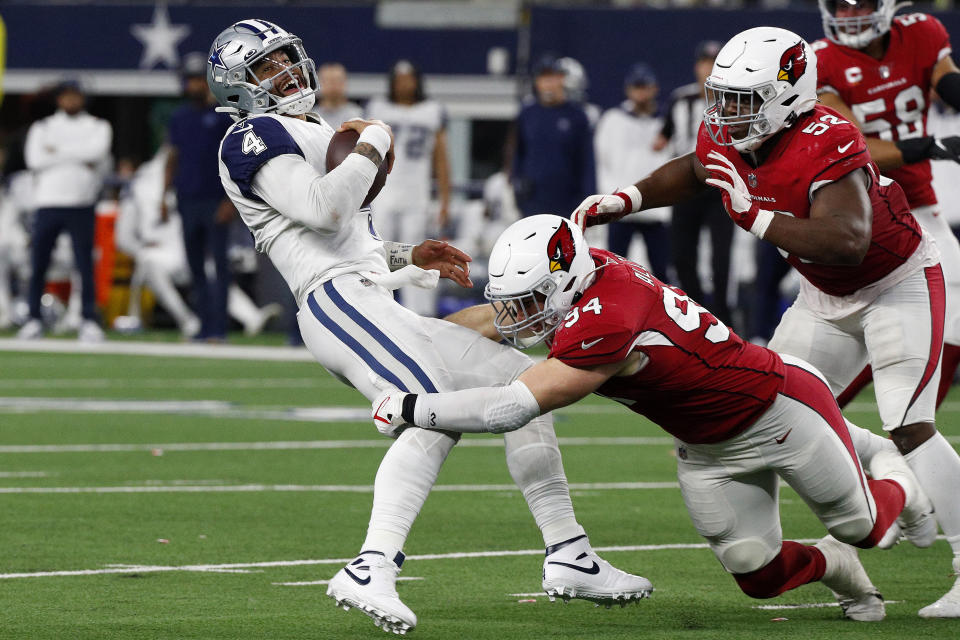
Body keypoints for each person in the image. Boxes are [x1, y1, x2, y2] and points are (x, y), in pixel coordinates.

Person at [207, 19, 652, 635]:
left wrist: (406, 256)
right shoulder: (249, 136)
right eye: (266, 67)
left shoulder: (305, 128)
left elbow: (345, 238)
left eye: (286, 59)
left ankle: (569, 553)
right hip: (335, 304)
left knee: (528, 380)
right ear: (237, 88)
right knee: (431, 411)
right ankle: (371, 565)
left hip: (367, 294)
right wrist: (374, 139)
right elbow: (324, 208)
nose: (285, 74)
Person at [568, 26, 960, 618]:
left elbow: (850, 240)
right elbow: (699, 168)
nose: (726, 112)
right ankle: (887, 477)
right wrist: (627, 199)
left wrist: (755, 215)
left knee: (909, 419)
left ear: (788, 94)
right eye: (720, 97)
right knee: (769, 399)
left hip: (894, 283)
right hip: (821, 295)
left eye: (742, 99)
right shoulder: (731, 130)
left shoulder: (826, 137)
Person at [371, 214, 936, 622]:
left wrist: (411, 406)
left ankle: (892, 471)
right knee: (756, 572)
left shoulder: (608, 319)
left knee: (871, 530)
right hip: (708, 445)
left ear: (564, 284)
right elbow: (494, 321)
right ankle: (835, 567)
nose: (518, 317)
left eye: (529, 301)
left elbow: (511, 406)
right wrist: (403, 343)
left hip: (778, 409)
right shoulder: (583, 278)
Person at [815, 1, 960, 416]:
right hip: (859, 204)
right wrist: (931, 147)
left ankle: (913, 427)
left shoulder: (922, 32)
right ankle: (804, 417)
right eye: (840, 8)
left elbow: (946, 79)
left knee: (954, 316)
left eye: (859, 5)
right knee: (856, 330)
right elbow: (853, 145)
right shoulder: (820, 60)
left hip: (917, 203)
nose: (849, 15)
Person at [114, 150, 282, 338]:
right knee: (148, 261)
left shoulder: (187, 181)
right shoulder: (139, 184)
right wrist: (141, 249)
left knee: (212, 268)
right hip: (158, 252)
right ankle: (188, 321)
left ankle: (251, 317)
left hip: (183, 248)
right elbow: (122, 238)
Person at [19, 80, 112, 342]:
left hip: (81, 203)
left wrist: (57, 152)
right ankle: (33, 318)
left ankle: (88, 320)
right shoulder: (43, 127)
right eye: (66, 97)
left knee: (84, 265)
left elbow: (98, 151)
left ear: (83, 99)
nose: (71, 101)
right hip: (48, 202)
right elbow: (35, 160)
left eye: (76, 96)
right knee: (39, 264)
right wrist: (80, 157)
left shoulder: (97, 126)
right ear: (58, 100)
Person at [654, 40, 734, 326]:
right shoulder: (680, 98)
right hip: (685, 186)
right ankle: (697, 315)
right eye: (704, 63)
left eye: (714, 63)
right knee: (681, 254)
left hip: (720, 186)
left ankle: (724, 318)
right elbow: (663, 136)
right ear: (696, 66)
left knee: (720, 257)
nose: (708, 69)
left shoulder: (733, 100)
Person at [365, 59, 450, 317]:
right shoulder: (376, 107)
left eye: (409, 78)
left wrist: (445, 199)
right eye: (400, 79)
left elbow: (441, 159)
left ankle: (420, 314)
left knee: (417, 255)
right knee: (376, 254)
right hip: (384, 194)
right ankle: (372, 307)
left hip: (417, 196)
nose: (405, 84)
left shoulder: (431, 111)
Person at [164, 52, 236, 341]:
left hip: (215, 199)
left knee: (220, 265)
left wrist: (231, 200)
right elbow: (173, 156)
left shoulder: (223, 114)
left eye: (198, 79)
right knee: (194, 266)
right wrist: (164, 195)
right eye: (190, 79)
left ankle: (219, 327)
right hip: (187, 198)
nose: (194, 85)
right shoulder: (180, 117)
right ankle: (203, 325)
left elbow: (234, 159)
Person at [594, 62, 671, 282]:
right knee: (612, 272)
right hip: (621, 208)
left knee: (661, 273)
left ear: (654, 88)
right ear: (628, 90)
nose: (640, 92)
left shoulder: (665, 122)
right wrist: (608, 198)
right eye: (636, 87)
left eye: (644, 87)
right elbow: (601, 160)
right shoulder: (612, 119)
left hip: (655, 210)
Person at [512, 55, 595, 219]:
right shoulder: (527, 114)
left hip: (567, 202)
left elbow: (587, 162)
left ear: (561, 79)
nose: (548, 84)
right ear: (536, 82)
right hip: (532, 200)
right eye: (543, 78)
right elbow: (517, 153)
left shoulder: (577, 116)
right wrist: (516, 182)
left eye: (552, 77)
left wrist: (588, 198)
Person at [312, 62, 362, 128]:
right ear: (319, 84)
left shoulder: (358, 116)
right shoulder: (311, 117)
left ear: (345, 82)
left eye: (337, 80)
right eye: (328, 81)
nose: (333, 85)